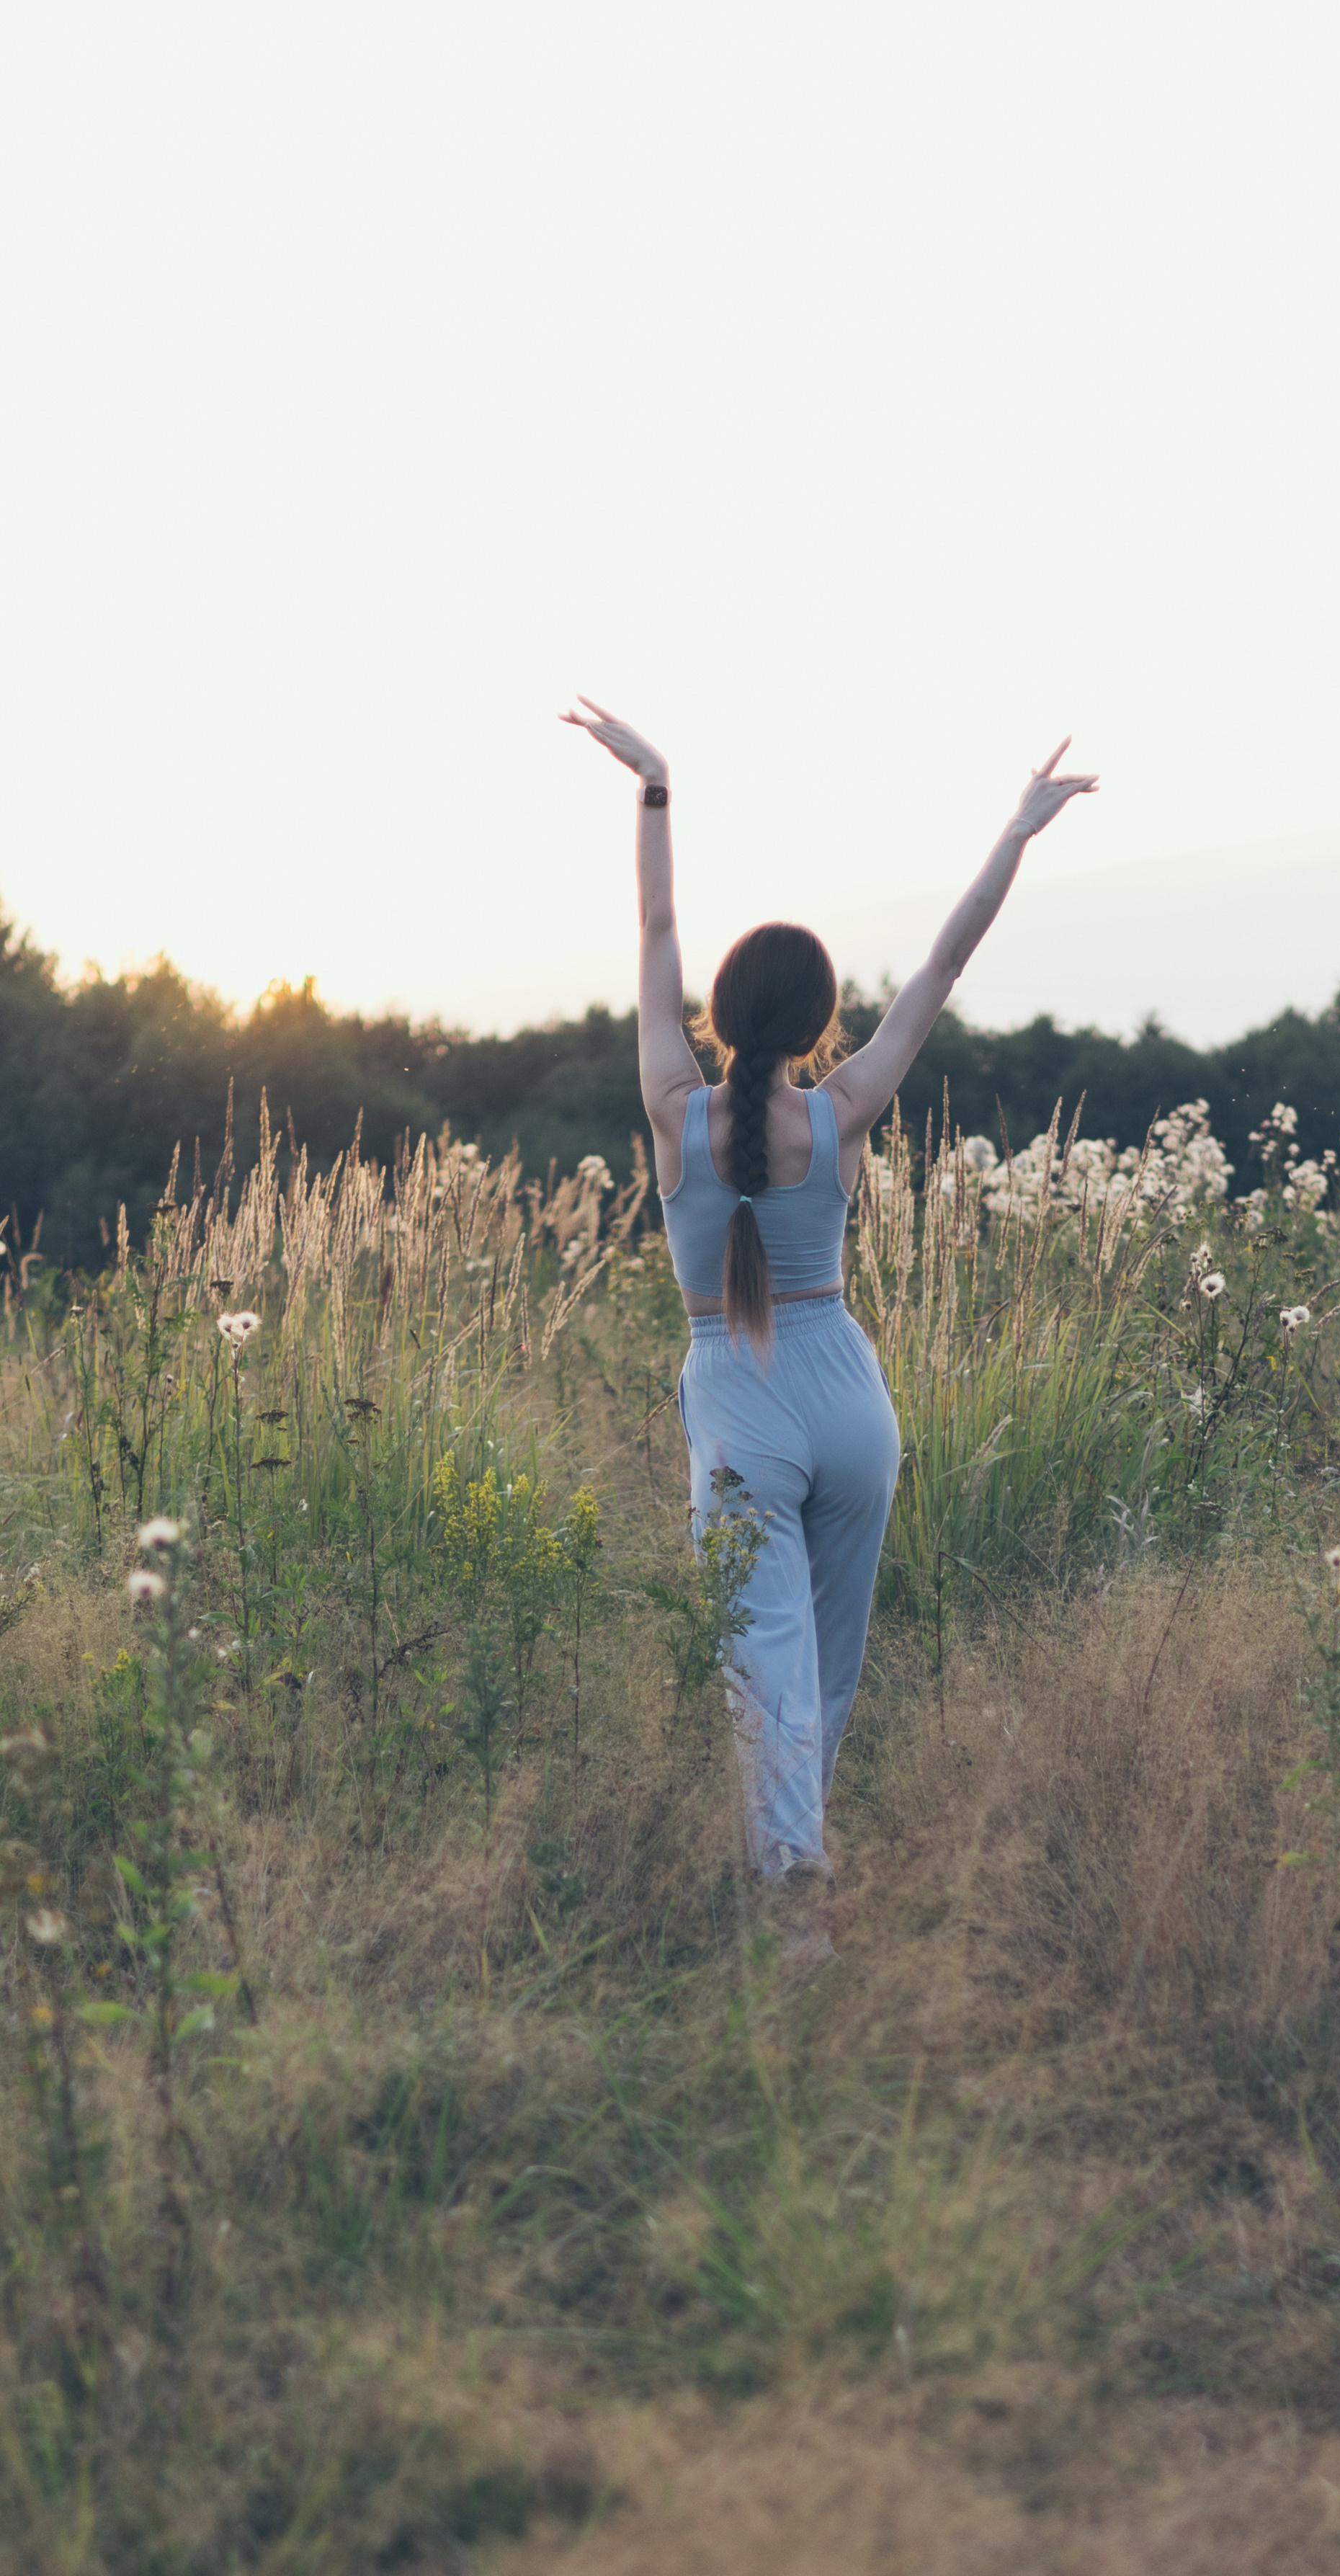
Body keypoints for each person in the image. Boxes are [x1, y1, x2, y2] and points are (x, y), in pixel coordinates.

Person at [562, 697, 1096, 1956]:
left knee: (764, 1668)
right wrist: (1017, 830)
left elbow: (651, 932)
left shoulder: (668, 1107)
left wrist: (654, 789)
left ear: (722, 1019)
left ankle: (795, 1906)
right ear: (817, 1026)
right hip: (850, 1400)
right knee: (825, 1666)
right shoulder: (846, 1109)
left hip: (740, 1403)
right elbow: (942, 968)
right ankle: (802, 1856)